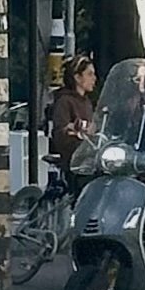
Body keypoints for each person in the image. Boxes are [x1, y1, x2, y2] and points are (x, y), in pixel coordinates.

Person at [48, 55, 97, 194]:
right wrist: (73, 130)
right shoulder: (65, 101)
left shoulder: (86, 102)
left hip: (89, 158)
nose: (94, 79)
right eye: (89, 74)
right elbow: (61, 132)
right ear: (77, 77)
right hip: (74, 161)